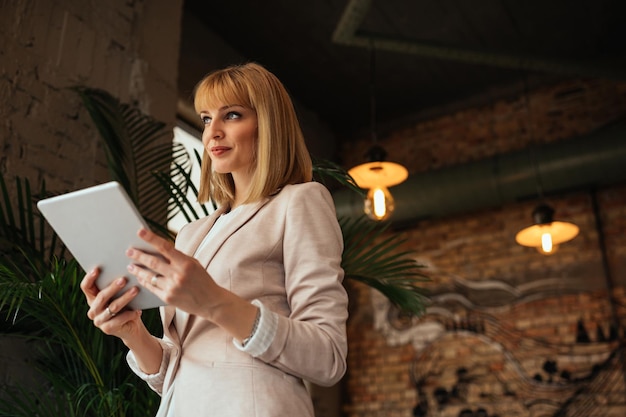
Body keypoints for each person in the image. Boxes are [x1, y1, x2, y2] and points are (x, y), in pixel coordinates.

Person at [80, 62, 349, 416]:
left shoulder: (300, 201)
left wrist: (214, 302)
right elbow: (182, 371)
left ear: (268, 125)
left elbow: (328, 357)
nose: (213, 132)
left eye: (232, 115)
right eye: (206, 119)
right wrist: (133, 332)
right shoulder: (192, 235)